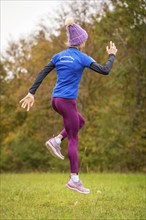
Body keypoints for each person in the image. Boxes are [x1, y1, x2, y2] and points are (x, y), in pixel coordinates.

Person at [19, 17, 118, 194]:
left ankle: (56, 140)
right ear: (81, 42)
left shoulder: (59, 56)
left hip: (56, 101)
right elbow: (105, 70)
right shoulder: (82, 57)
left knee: (80, 121)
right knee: (74, 138)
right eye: (85, 40)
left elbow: (43, 72)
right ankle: (74, 179)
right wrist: (112, 55)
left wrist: (31, 92)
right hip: (67, 102)